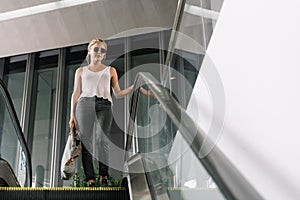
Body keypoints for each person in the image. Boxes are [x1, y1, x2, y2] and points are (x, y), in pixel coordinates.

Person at [69, 38, 133, 187]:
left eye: (102, 50)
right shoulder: (80, 71)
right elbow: (76, 93)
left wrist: (133, 87)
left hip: (104, 105)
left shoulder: (110, 70)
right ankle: (90, 180)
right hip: (84, 105)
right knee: (87, 143)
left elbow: (117, 93)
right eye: (96, 49)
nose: (99, 52)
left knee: (101, 139)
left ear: (104, 55)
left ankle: (104, 177)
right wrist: (72, 115)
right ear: (89, 51)